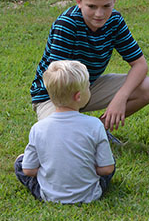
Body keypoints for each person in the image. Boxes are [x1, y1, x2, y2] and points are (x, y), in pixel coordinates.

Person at [30, 0, 149, 134]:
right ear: (78, 1)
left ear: (114, 0)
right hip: (54, 95)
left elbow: (140, 64)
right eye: (91, 6)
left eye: (106, 6)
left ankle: (96, 133)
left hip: (86, 86)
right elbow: (57, 78)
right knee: (60, 139)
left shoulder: (115, 21)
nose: (99, 13)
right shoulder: (67, 25)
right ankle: (28, 158)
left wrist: (120, 98)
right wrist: (72, 113)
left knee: (148, 87)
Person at [15, 60, 115, 203]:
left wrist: (51, 171)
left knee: (20, 162)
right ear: (78, 96)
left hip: (49, 196)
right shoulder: (95, 125)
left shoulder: (39, 128)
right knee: (110, 162)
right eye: (88, 87)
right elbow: (106, 169)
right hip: (90, 195)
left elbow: (28, 171)